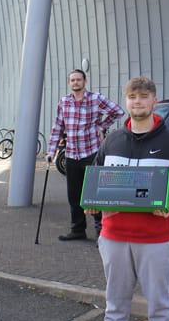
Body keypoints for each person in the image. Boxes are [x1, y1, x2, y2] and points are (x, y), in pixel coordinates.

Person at [81, 76, 169, 321]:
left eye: (143, 96)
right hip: (115, 233)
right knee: (115, 293)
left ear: (154, 101)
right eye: (132, 97)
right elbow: (96, 176)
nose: (137, 102)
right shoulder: (113, 139)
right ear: (126, 101)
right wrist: (91, 202)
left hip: (156, 235)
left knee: (159, 297)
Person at [46, 69, 125, 241]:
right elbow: (58, 127)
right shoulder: (64, 102)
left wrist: (101, 126)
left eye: (78, 79)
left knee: (94, 194)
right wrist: (51, 151)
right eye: (72, 80)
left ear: (85, 81)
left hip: (91, 153)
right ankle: (78, 230)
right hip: (72, 154)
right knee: (74, 196)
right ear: (69, 83)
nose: (75, 82)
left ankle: (101, 232)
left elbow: (118, 111)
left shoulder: (96, 98)